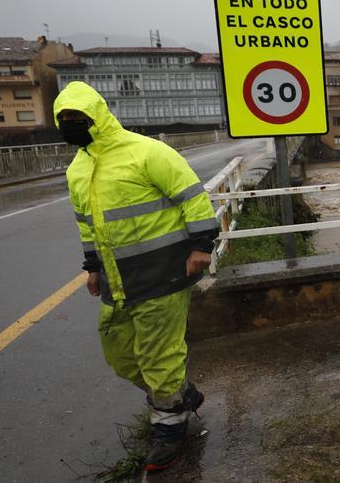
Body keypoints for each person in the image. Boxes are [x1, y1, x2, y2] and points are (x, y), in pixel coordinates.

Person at [54, 81, 218, 472]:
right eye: (64, 119)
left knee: (158, 358)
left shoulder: (146, 151)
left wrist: (202, 246)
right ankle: (181, 395)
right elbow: (87, 225)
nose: (71, 124)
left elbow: (192, 196)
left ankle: (169, 429)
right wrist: (92, 267)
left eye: (78, 117)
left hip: (164, 275)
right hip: (118, 281)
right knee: (122, 355)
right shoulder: (78, 169)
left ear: (98, 115)